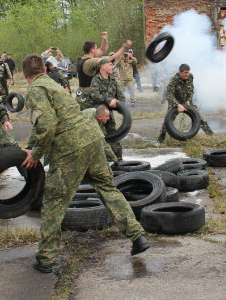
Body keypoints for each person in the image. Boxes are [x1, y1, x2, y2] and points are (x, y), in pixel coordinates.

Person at [19, 54, 149, 273]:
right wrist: (32, 146)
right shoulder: (55, 84)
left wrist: (35, 154)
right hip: (92, 139)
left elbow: (48, 124)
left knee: (53, 201)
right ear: (44, 69)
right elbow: (42, 124)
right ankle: (138, 237)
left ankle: (45, 258)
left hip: (70, 149)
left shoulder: (34, 90)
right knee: (108, 189)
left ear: (24, 74)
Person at [157, 64, 213, 143]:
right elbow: (169, 94)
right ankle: (160, 141)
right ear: (180, 72)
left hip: (187, 101)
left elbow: (191, 89)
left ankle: (212, 137)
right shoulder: (174, 80)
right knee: (168, 122)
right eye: (185, 73)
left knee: (200, 119)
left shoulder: (190, 77)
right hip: (176, 102)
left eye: (188, 72)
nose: (187, 74)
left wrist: (188, 100)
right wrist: (178, 105)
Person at [75, 32, 130, 110]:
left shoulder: (85, 59)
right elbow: (109, 60)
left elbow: (102, 50)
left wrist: (105, 39)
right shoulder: (89, 62)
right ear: (92, 50)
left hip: (87, 95)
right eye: (96, 48)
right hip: (87, 98)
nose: (98, 50)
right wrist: (123, 48)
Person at [90, 58, 125, 161]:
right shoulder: (96, 80)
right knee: (99, 139)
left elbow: (122, 97)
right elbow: (94, 95)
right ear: (103, 67)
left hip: (108, 115)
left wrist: (119, 105)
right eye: (110, 65)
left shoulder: (113, 81)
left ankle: (119, 162)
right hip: (98, 115)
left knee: (114, 139)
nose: (112, 67)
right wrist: (109, 100)